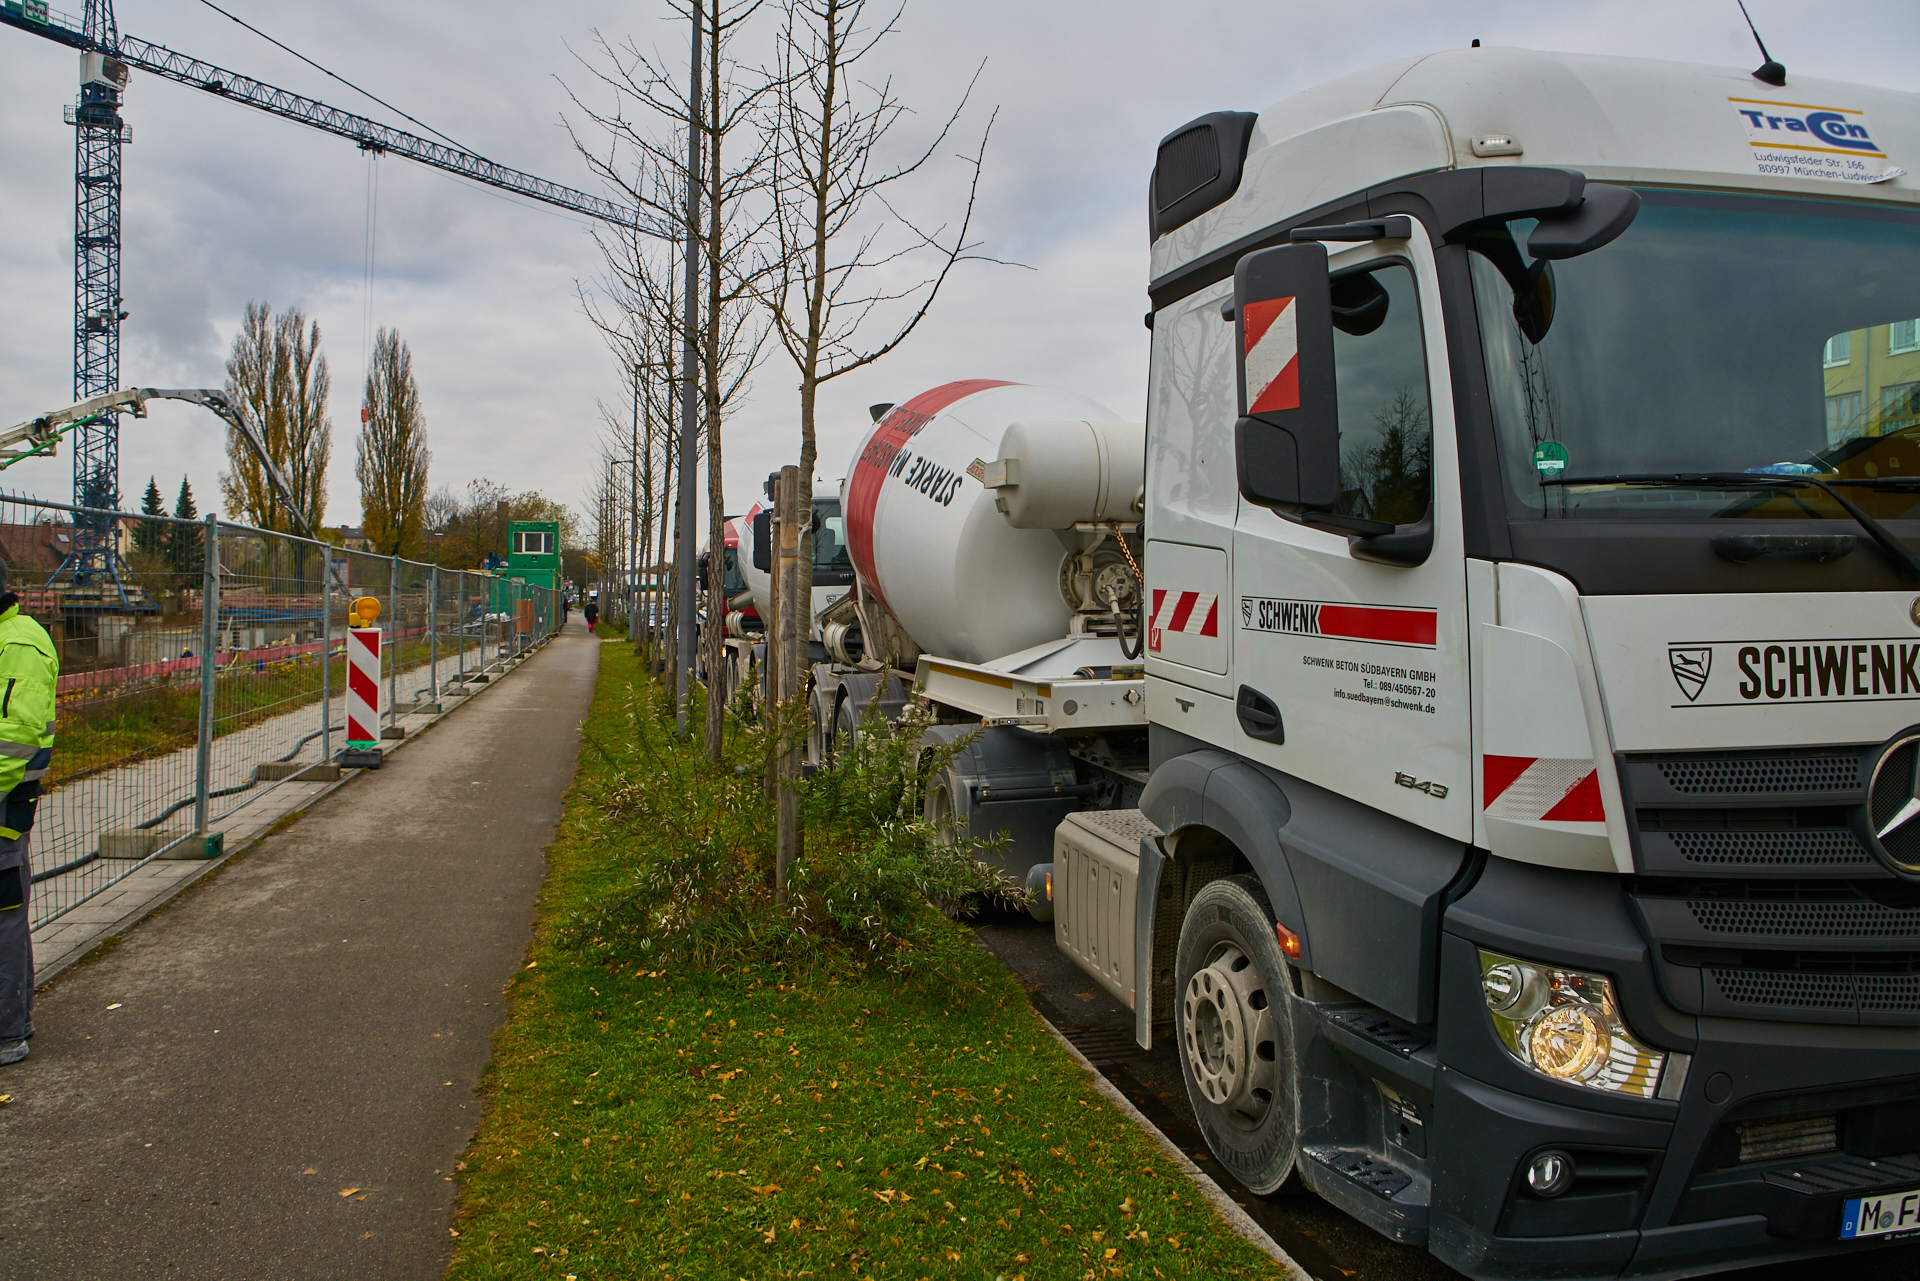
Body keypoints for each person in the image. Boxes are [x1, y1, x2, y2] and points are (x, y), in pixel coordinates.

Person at [0, 568, 58, 1067]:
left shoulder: (17, 644)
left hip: (4, 799)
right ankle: (13, 1018)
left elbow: (14, 742)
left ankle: (6, 1029)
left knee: (3, 912)